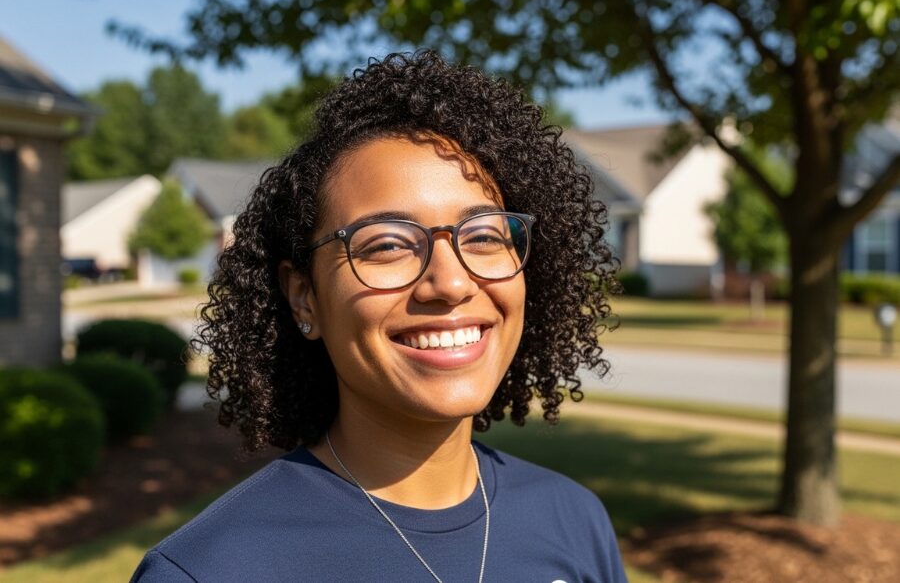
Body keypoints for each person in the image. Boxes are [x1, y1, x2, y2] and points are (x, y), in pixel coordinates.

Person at [130, 51, 626, 583]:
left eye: (483, 235)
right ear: (305, 298)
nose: (451, 283)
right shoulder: (209, 570)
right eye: (388, 245)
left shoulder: (574, 520)